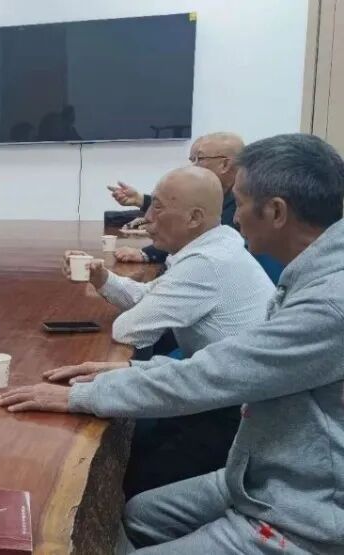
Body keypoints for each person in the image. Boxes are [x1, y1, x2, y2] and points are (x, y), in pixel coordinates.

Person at [0, 133, 344, 553]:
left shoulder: (329, 302)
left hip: (306, 513)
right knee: (138, 513)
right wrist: (132, 369)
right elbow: (237, 358)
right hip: (260, 466)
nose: (234, 218)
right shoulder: (312, 270)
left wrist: (80, 397)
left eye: (239, 203)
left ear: (275, 212)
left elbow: (216, 374)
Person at [60, 166, 275, 497]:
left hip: (234, 417)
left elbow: (130, 330)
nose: (146, 217)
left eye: (157, 207)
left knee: (129, 483)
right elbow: (151, 298)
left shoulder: (207, 263)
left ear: (194, 218)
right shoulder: (214, 247)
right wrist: (102, 278)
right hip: (216, 389)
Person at [110, 132, 244, 264]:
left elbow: (195, 239)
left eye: (200, 159)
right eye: (192, 160)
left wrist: (146, 253)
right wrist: (141, 199)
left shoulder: (242, 199)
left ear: (225, 165)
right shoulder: (223, 194)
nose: (193, 167)